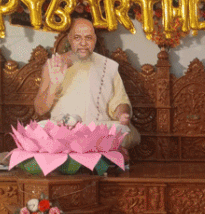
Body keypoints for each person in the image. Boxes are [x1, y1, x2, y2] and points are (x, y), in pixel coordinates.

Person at [34, 16, 138, 148]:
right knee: (37, 130)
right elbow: (40, 109)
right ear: (70, 39)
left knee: (121, 130)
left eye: (88, 38)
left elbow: (120, 101)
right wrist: (53, 86)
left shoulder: (108, 66)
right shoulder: (54, 65)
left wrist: (123, 115)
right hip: (63, 133)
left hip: (97, 131)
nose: (83, 43)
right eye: (77, 38)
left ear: (94, 40)